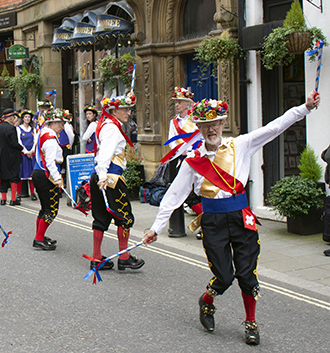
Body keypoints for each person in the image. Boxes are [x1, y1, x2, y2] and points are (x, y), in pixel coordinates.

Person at [142, 91, 321, 345]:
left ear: (222, 124)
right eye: (205, 125)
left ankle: (251, 322)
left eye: (215, 123)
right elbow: (173, 196)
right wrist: (155, 228)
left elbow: (275, 127)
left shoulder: (241, 145)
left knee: (247, 274)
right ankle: (206, 300)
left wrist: (305, 107)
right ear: (199, 127)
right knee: (224, 277)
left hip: (240, 217)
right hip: (212, 221)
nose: (211, 129)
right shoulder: (193, 161)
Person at [89, 93, 145, 271]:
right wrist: (104, 176)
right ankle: (124, 257)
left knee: (101, 217)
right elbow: (105, 154)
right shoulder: (113, 128)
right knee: (124, 217)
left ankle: (97, 258)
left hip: (101, 177)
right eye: (126, 109)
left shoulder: (108, 125)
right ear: (114, 110)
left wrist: (100, 176)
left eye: (129, 109)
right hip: (111, 179)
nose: (129, 113)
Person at [165, 87, 203, 238]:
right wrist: (181, 151)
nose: (177, 105)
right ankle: (206, 221)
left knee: (201, 191)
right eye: (176, 102)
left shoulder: (195, 120)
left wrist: (194, 151)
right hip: (182, 160)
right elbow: (171, 141)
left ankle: (207, 224)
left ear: (188, 104)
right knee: (188, 194)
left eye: (180, 102)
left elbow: (201, 138)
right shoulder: (173, 122)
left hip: (198, 159)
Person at [32, 108, 70, 250]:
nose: (62, 126)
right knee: (52, 210)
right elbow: (50, 162)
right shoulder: (51, 138)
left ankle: (40, 236)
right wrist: (58, 178)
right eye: (60, 123)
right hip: (46, 175)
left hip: (38, 172)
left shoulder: (43, 132)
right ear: (53, 123)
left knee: (44, 208)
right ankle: (38, 238)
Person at [0, 109, 22, 206]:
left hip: (0, 155)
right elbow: (14, 143)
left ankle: (3, 199)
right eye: (14, 117)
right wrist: (21, 147)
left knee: (4, 176)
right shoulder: (11, 128)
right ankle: (13, 199)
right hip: (11, 155)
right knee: (13, 176)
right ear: (10, 118)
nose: (14, 119)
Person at [17, 109, 37, 200]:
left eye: (29, 117)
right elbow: (19, 141)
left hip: (31, 154)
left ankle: (33, 193)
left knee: (31, 175)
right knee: (21, 175)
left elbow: (35, 141)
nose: (27, 118)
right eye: (26, 117)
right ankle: (18, 194)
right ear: (23, 118)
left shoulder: (33, 129)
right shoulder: (18, 128)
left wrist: (32, 151)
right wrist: (26, 151)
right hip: (22, 155)